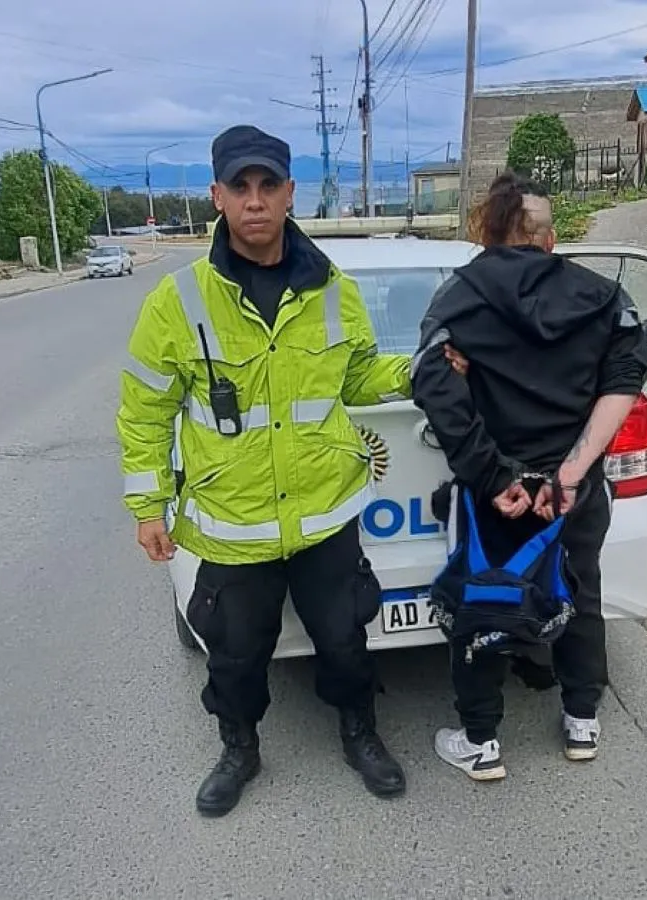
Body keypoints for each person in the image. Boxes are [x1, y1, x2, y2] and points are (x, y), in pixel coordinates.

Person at [116, 125, 414, 817]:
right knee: (236, 655)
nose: (255, 201)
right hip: (234, 523)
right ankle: (239, 747)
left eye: (268, 185)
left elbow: (361, 376)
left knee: (344, 640)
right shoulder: (178, 300)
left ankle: (359, 731)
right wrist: (147, 507)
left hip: (323, 515)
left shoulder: (332, 290)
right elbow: (144, 412)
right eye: (240, 187)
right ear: (217, 196)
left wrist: (426, 369)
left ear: (289, 193)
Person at [411, 172, 647, 780]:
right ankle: (581, 722)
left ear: (489, 231)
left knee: (483, 595)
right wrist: (569, 473)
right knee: (581, 589)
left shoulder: (460, 296)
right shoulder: (602, 297)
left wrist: (492, 479)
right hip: (575, 492)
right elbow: (624, 381)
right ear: (548, 238)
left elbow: (431, 384)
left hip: (500, 497)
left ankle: (481, 741)